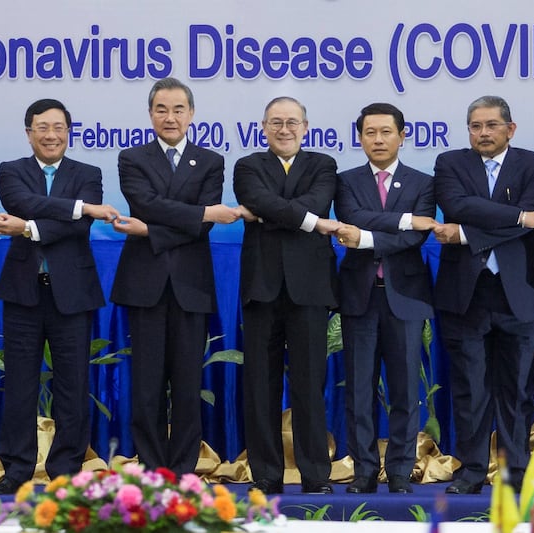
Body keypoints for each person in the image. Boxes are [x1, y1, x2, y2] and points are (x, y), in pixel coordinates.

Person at [110, 78, 240, 476]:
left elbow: (199, 227)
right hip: (144, 284)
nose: (170, 117)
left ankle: (183, 469)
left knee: (187, 384)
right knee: (147, 386)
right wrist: (199, 213)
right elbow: (145, 203)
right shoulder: (132, 157)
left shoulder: (212, 160)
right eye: (162, 109)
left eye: (178, 109)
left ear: (191, 114)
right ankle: (151, 468)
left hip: (190, 285)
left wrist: (150, 229)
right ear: (150, 114)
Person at [0, 98, 119, 494]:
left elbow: (75, 230)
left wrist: (28, 228)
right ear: (29, 132)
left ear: (68, 131)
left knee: (72, 385)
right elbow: (21, 203)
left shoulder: (88, 172)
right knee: (20, 385)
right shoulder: (11, 171)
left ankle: (66, 470)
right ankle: (17, 469)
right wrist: (81, 208)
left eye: (59, 127)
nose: (51, 135)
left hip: (72, 294)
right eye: (42, 127)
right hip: (23, 293)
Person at [433, 95, 534, 494]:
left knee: (518, 387)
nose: (482, 133)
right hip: (465, 292)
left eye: (491, 126)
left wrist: (466, 232)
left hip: (520, 291)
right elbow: (456, 205)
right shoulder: (450, 163)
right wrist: (517, 216)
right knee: (470, 387)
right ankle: (470, 470)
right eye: (475, 126)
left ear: (510, 129)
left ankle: (515, 470)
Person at [233, 96, 339, 495]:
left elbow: (314, 201)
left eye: (292, 122)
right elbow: (259, 200)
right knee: (260, 385)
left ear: (305, 127)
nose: (284, 129)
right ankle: (266, 475)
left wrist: (273, 215)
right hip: (262, 287)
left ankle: (315, 475)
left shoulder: (323, 165)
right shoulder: (247, 166)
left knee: (310, 384)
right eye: (275, 122)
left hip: (309, 288)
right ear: (263, 128)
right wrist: (312, 223)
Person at [334, 102, 436, 494]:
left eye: (386, 132)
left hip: (405, 297)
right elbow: (351, 218)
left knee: (405, 390)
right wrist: (406, 219)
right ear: (360, 137)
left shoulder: (423, 183)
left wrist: (368, 237)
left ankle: (398, 470)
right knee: (359, 390)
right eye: (369, 133)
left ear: (402, 135)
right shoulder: (345, 181)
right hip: (360, 297)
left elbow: (414, 239)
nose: (377, 139)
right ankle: (363, 470)